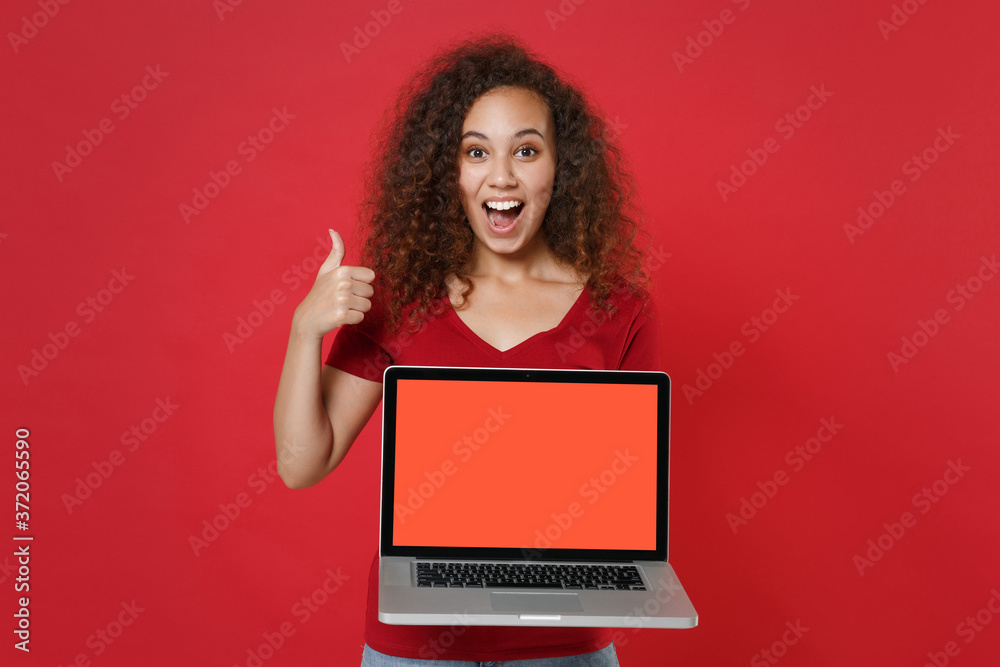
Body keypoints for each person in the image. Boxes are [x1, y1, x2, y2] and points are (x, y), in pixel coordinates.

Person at [273, 33, 659, 666]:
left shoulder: (621, 311)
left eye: (526, 151)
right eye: (476, 152)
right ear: (445, 169)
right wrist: (303, 332)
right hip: (417, 649)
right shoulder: (401, 295)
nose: (501, 176)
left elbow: (624, 496)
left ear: (561, 167)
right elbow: (300, 465)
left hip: (562, 644)